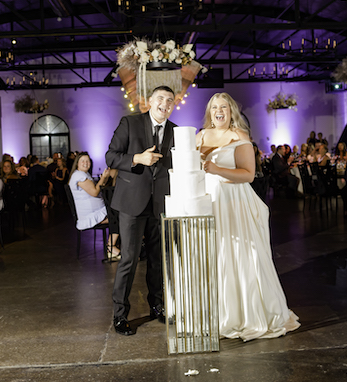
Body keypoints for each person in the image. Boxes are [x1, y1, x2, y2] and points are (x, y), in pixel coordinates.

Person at [199, 92, 300, 341]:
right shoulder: (199, 136)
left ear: (231, 111)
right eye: (214, 107)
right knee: (216, 254)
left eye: (223, 107)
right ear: (210, 112)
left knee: (241, 256)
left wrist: (216, 169)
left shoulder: (239, 136)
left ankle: (248, 314)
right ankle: (220, 314)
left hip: (234, 202)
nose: (219, 111)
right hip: (209, 201)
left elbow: (248, 174)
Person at [105, 85, 177, 336]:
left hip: (160, 204)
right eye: (160, 99)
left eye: (170, 100)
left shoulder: (176, 131)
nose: (164, 104)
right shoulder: (130, 123)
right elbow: (111, 157)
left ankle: (156, 305)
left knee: (158, 260)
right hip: (132, 203)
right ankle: (120, 315)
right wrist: (136, 158)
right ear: (149, 101)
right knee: (129, 259)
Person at [68, 152, 119, 259]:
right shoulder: (79, 176)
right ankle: (111, 246)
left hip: (96, 211)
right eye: (83, 161)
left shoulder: (84, 174)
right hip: (90, 215)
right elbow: (95, 192)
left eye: (88, 161)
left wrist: (104, 178)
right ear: (77, 163)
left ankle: (113, 245)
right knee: (120, 217)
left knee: (118, 214)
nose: (86, 163)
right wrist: (103, 178)